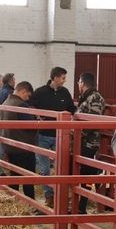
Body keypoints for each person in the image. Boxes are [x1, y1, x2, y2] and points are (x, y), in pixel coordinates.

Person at [30, 67, 77, 207]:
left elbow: (71, 109)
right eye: (63, 77)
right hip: (43, 134)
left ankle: (60, 196)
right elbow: (30, 105)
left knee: (60, 167)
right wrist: (37, 115)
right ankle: (49, 195)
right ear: (55, 78)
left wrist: (74, 117)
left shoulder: (65, 92)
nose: (65, 80)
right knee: (44, 169)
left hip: (60, 135)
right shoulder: (40, 92)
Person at [74, 72, 107, 214]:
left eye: (79, 83)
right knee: (79, 172)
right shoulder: (87, 97)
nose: (78, 85)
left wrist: (77, 134)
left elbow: (93, 121)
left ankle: (82, 206)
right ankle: (78, 204)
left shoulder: (95, 98)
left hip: (88, 143)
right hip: (81, 142)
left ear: (82, 83)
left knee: (86, 174)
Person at [0, 80, 37, 199]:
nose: (27, 98)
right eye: (27, 95)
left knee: (14, 175)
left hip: (9, 146)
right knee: (28, 177)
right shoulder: (21, 105)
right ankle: (32, 204)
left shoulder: (5, 103)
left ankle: (12, 200)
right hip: (23, 147)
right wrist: (37, 122)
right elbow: (30, 126)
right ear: (23, 91)